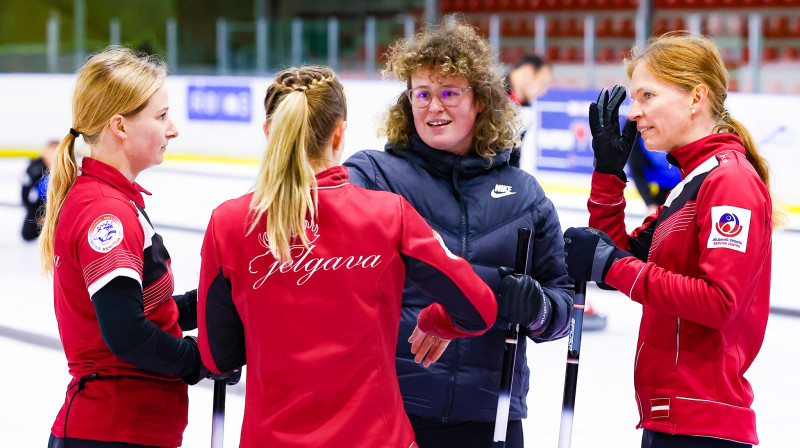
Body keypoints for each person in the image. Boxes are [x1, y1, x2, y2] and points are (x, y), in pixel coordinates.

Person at [195, 66, 498, 448]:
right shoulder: (391, 214)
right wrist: (435, 320)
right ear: (340, 132)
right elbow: (479, 307)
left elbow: (218, 358)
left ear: (270, 132)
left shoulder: (228, 222)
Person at [344, 21, 573, 448]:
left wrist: (535, 305)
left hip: (491, 417)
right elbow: (319, 210)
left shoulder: (526, 196)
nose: (434, 107)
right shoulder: (376, 175)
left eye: (450, 92)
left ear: (482, 101)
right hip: (392, 411)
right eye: (422, 93)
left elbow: (561, 310)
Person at [563, 33, 774, 447]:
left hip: (702, 423)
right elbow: (614, 261)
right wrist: (608, 175)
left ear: (696, 97)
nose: (635, 113)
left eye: (647, 96)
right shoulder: (690, 183)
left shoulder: (729, 180)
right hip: (672, 416)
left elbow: (719, 303)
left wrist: (612, 265)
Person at [40, 46, 235, 448]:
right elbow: (126, 333)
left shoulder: (110, 199)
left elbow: (145, 310)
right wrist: (199, 361)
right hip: (114, 429)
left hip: (124, 431)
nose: (173, 129)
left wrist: (216, 303)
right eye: (161, 116)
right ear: (120, 126)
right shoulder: (106, 213)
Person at [504, 54, 552, 169]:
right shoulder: (491, 93)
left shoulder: (525, 104)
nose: (543, 91)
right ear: (527, 72)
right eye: (542, 83)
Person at [628, 137, 682, 214]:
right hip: (661, 190)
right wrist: (650, 204)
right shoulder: (639, 140)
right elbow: (637, 172)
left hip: (689, 185)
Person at [21, 139, 57, 241]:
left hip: (60, 204)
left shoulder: (66, 166)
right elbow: (25, 192)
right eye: (50, 153)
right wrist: (36, 214)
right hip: (40, 204)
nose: (52, 157)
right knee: (28, 234)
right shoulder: (35, 168)